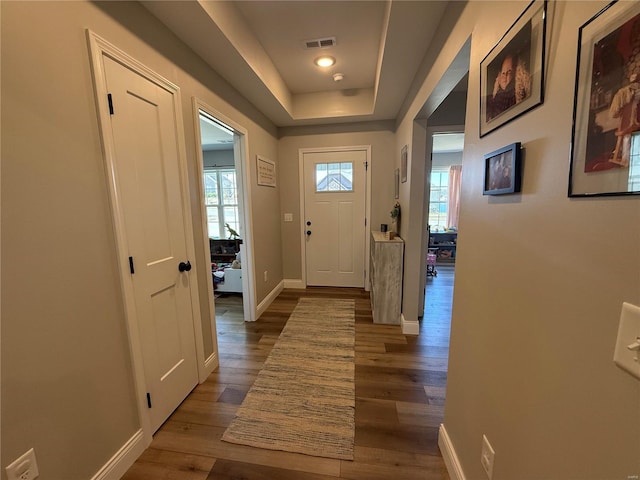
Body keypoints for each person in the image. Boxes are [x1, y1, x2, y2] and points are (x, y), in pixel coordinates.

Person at [487, 54, 516, 121]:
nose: (505, 75)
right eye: (503, 73)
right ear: (498, 77)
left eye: (509, 72)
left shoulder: (513, 93)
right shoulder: (494, 98)